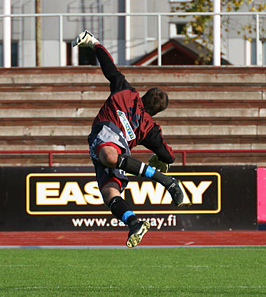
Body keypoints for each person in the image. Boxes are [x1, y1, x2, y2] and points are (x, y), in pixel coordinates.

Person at [72, 30, 189, 248]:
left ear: (144, 95)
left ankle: (166, 182)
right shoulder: (149, 128)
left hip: (106, 140)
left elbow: (109, 67)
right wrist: (160, 159)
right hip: (112, 150)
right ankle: (135, 223)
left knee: (108, 155)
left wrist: (94, 42)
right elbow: (168, 155)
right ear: (157, 112)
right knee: (110, 194)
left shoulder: (126, 92)